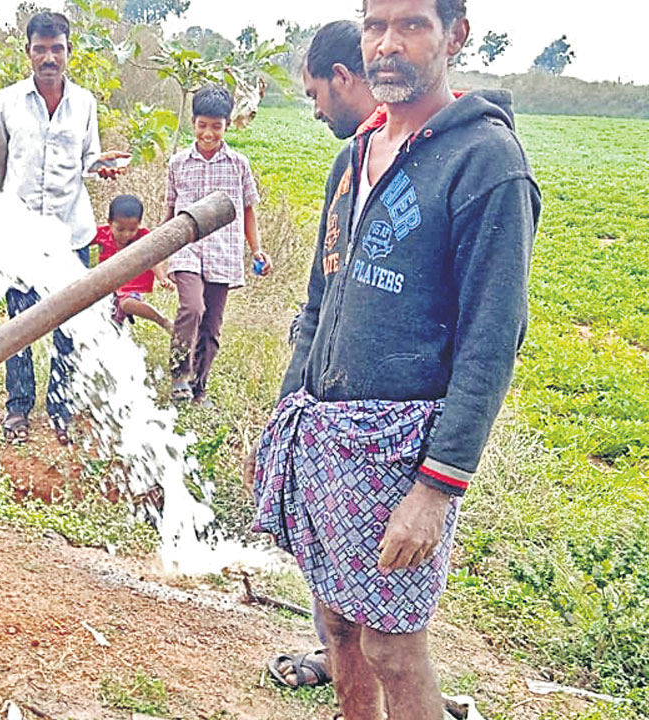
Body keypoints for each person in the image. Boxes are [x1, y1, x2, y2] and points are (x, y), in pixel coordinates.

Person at [249, 0, 540, 717]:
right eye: (376, 24)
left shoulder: (487, 164)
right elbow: (319, 302)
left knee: (393, 648)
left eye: (411, 25)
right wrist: (287, 414)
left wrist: (436, 489)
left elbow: (491, 339)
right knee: (338, 627)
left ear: (455, 37)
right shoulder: (353, 158)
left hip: (402, 449)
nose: (387, 44)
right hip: (323, 436)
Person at [267, 19, 386, 692]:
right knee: (332, 573)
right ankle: (337, 658)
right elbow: (321, 292)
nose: (314, 109)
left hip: (387, 422)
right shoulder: (351, 167)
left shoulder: (451, 164)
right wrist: (292, 399)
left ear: (342, 77)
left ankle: (379, 676)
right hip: (327, 409)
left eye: (315, 92)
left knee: (389, 622)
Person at [0, 11, 128, 446]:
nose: (49, 57)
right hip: (19, 237)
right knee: (18, 325)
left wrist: (98, 167)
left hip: (71, 234)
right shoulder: (5, 102)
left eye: (57, 49)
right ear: (28, 51)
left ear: (68, 52)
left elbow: (87, 158)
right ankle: (18, 407)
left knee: (68, 326)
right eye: (41, 48)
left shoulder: (84, 103)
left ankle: (61, 408)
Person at [163, 85, 269, 407]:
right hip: (186, 250)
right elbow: (169, 211)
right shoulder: (178, 163)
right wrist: (159, 257)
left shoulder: (238, 165)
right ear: (193, 123)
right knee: (192, 308)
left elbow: (248, 209)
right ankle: (179, 375)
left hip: (223, 251)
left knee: (211, 325)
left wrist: (257, 250)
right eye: (202, 125)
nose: (208, 133)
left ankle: (199, 387)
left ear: (226, 125)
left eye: (216, 126)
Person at [91, 194, 173, 331]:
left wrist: (162, 278)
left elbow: (152, 258)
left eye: (132, 230)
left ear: (139, 224)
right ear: (110, 223)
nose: (126, 234)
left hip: (130, 284)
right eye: (120, 229)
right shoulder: (102, 233)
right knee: (111, 323)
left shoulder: (142, 236)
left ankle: (163, 321)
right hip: (106, 285)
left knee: (126, 304)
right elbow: (82, 238)